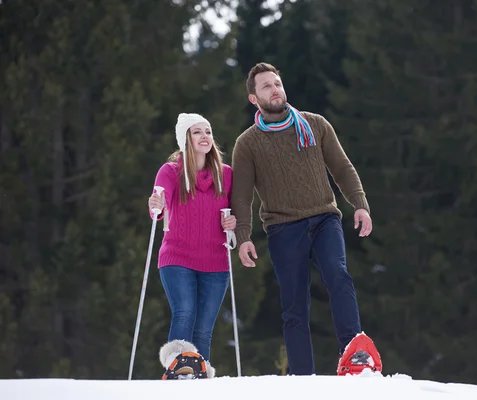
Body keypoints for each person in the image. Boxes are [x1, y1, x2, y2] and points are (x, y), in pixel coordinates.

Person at [230, 62, 377, 376]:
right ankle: (302, 379)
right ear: (254, 98)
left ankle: (355, 357)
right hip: (283, 228)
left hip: (325, 218)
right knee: (295, 306)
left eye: (277, 83)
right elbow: (241, 196)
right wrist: (243, 238)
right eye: (266, 86)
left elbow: (342, 168)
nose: (275, 89)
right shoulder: (247, 144)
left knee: (338, 274)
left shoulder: (315, 124)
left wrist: (360, 204)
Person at [148, 113, 236, 378]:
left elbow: (236, 212)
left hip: (215, 260)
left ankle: (197, 379)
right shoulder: (171, 171)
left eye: (208, 131)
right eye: (197, 132)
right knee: (184, 312)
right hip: (177, 256)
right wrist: (156, 206)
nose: (205, 136)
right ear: (185, 139)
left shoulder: (226, 174)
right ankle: (179, 370)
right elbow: (158, 200)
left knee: (204, 329)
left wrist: (233, 222)